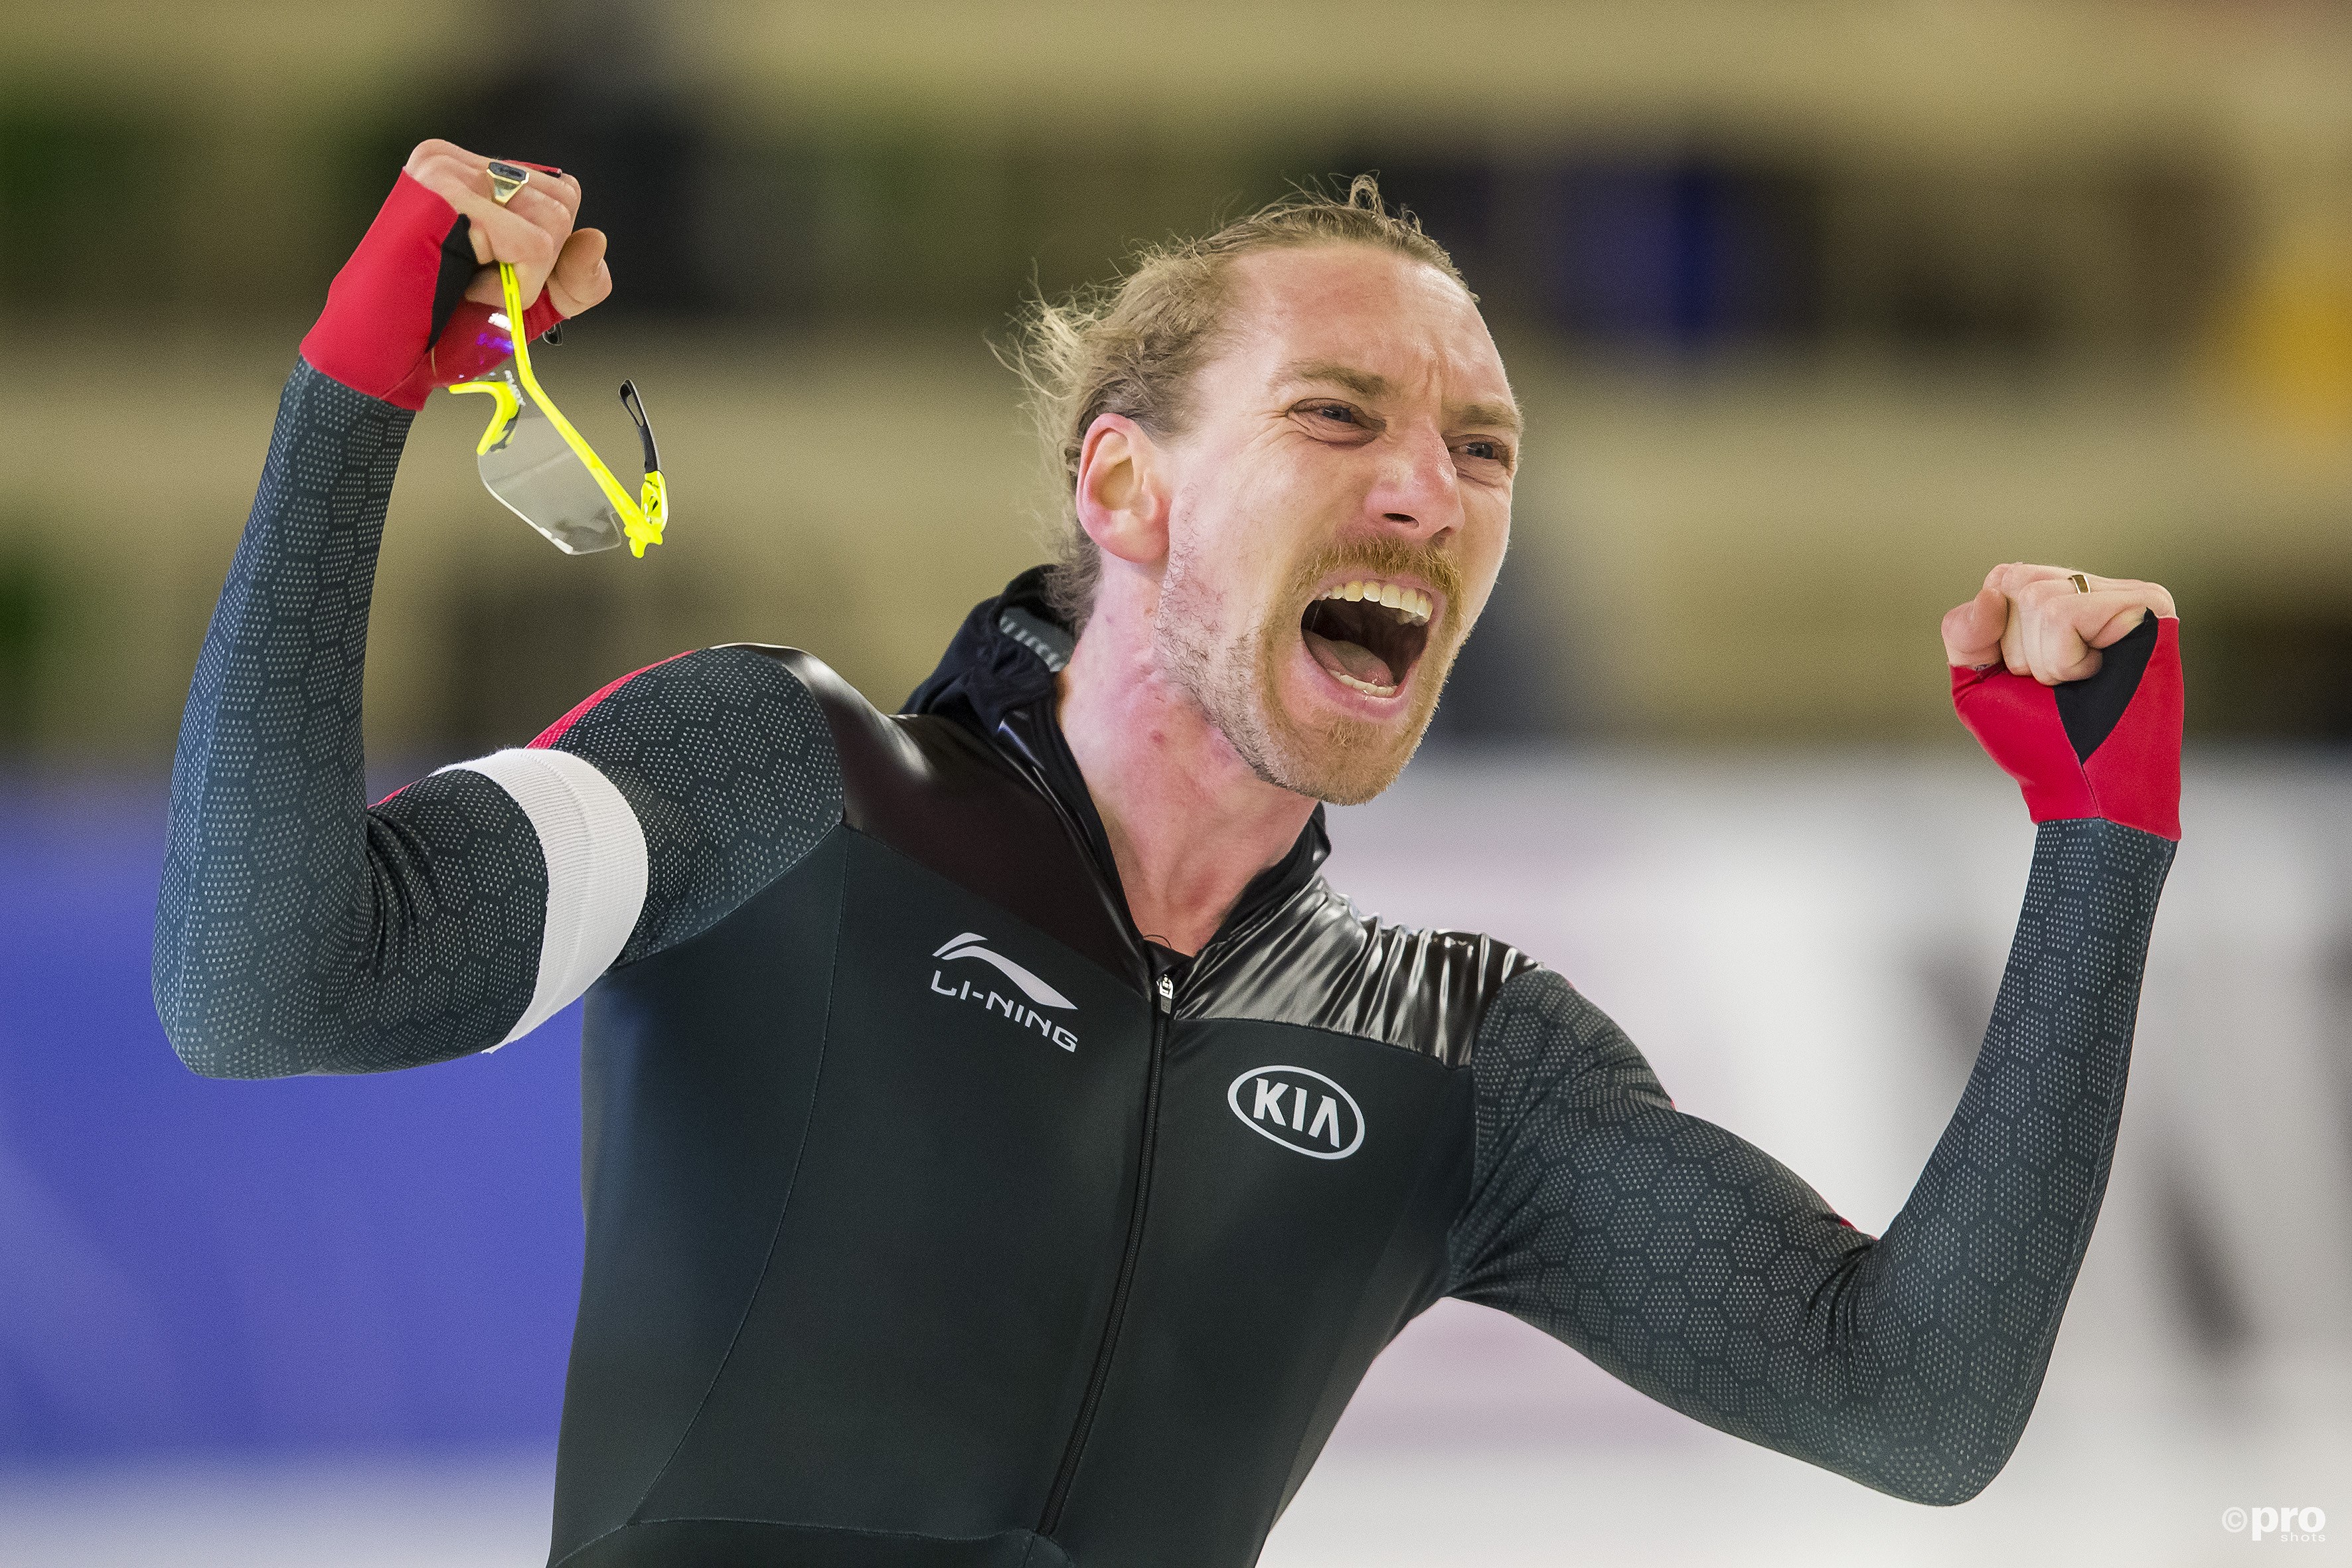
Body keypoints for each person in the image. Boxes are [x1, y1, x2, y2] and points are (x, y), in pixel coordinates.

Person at [152, 141, 2182, 1568]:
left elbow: (1914, 1407)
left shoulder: (1463, 1059)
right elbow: (262, 988)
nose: (1430, 492)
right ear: (1126, 484)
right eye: (1338, 416)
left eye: (1483, 450)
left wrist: (2101, 844)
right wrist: (349, 401)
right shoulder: (778, 781)